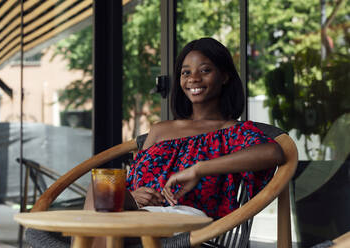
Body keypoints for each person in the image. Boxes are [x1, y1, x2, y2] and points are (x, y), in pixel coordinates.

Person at [84, 37, 285, 247]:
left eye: (205, 70)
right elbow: (132, 182)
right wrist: (133, 196)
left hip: (186, 222)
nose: (193, 78)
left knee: (98, 226)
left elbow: (273, 153)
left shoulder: (231, 131)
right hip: (136, 214)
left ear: (224, 76)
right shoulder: (160, 130)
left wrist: (197, 169)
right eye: (186, 72)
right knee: (99, 188)